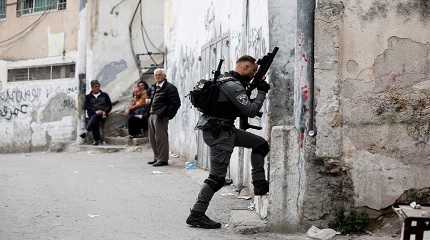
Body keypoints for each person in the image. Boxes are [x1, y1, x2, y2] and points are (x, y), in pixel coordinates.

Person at [186, 55, 271, 229]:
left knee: (260, 144)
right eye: (253, 71)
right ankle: (196, 214)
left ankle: (259, 184)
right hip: (220, 134)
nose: (254, 74)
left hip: (225, 130)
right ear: (246, 67)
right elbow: (250, 110)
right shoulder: (233, 85)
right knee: (216, 179)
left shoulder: (225, 79)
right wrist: (261, 92)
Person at [146, 68, 181, 167]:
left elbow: (176, 103)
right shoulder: (153, 87)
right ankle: (156, 157)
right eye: (156, 75)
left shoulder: (170, 87)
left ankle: (163, 159)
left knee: (161, 138)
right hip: (151, 114)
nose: (157, 76)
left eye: (160, 74)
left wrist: (167, 115)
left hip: (161, 116)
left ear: (164, 76)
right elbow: (150, 100)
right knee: (152, 138)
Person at [80, 80, 112, 145]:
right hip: (93, 115)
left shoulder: (105, 95)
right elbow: (86, 106)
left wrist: (104, 111)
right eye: (95, 86)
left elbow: (109, 105)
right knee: (95, 119)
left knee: (95, 118)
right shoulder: (88, 97)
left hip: (103, 115)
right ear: (92, 87)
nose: (97, 88)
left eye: (98, 86)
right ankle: (98, 140)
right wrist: (95, 112)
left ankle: (88, 133)